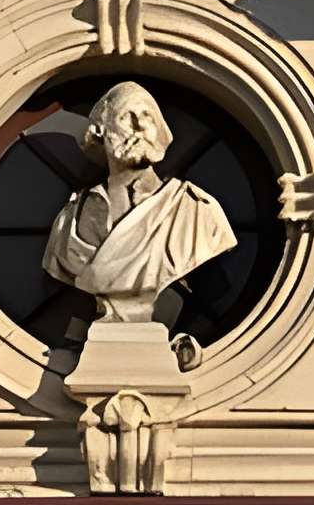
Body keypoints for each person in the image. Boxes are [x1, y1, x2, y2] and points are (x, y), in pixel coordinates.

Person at [40, 81, 237, 323]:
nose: (140, 126)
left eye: (148, 117)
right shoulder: (69, 221)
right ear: (101, 132)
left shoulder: (195, 212)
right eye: (126, 117)